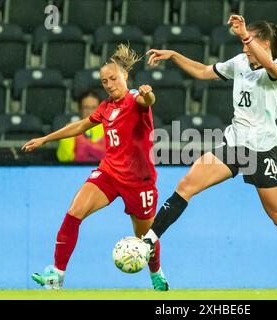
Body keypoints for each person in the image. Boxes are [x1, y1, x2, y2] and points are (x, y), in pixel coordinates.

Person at [141, 15, 277, 289]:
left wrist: (245, 34)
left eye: (250, 42)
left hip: (261, 152)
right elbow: (202, 72)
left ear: (265, 43)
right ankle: (148, 242)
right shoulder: (239, 63)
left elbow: (269, 64)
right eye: (245, 43)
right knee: (186, 184)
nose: (245, 48)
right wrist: (174, 55)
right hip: (233, 146)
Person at [22, 44, 169, 291]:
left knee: (146, 237)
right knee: (74, 212)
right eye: (104, 81)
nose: (109, 84)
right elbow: (80, 126)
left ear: (125, 76)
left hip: (139, 182)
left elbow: (148, 101)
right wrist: (45, 139)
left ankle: (156, 273)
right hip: (109, 173)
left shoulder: (135, 100)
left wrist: (147, 94)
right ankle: (57, 275)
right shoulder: (106, 107)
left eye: (113, 78)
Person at [57, 90, 106, 162]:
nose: (89, 112)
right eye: (86, 107)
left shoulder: (108, 128)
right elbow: (64, 158)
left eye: (93, 108)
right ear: (80, 109)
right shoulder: (71, 128)